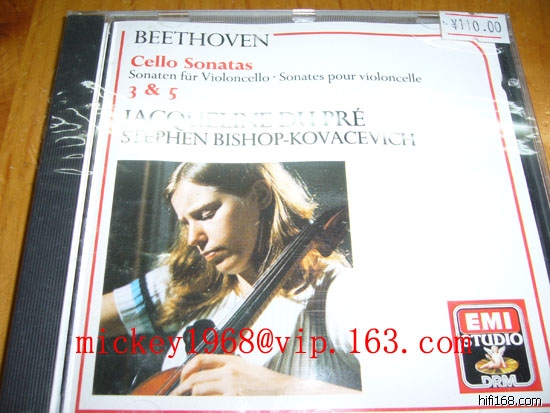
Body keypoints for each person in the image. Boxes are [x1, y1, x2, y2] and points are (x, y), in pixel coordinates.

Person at [100, 162, 362, 396]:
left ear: (261, 195)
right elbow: (83, 322)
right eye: (186, 223)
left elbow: (387, 398)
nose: (193, 239)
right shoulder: (190, 284)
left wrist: (278, 388)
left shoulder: (339, 293)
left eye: (206, 214)